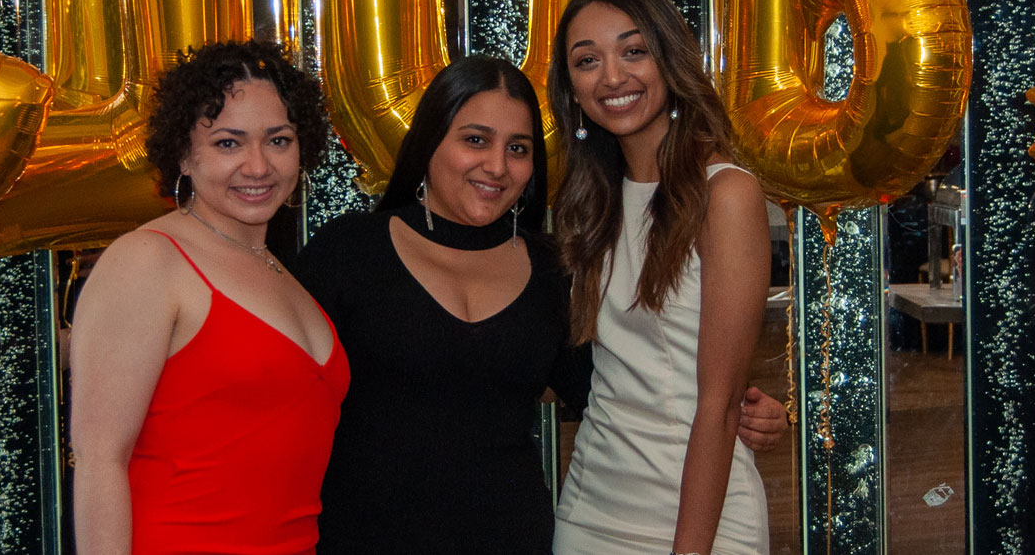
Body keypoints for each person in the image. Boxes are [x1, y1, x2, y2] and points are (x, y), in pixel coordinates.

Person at [297, 55, 784, 555]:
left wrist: (743, 405)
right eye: (475, 140)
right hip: (361, 536)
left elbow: (614, 383)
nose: (497, 165)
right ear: (429, 141)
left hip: (514, 537)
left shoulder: (549, 268)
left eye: (518, 148)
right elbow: (276, 397)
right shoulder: (350, 252)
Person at [71, 40, 346, 555]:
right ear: (183, 153)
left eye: (279, 140)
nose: (258, 165)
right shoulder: (148, 261)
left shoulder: (279, 271)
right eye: (228, 143)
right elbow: (99, 462)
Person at [548, 0, 773, 555]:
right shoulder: (585, 201)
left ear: (669, 60)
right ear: (571, 88)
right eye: (587, 61)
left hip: (699, 518)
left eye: (633, 51)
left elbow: (719, 405)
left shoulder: (725, 195)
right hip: (591, 510)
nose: (612, 77)